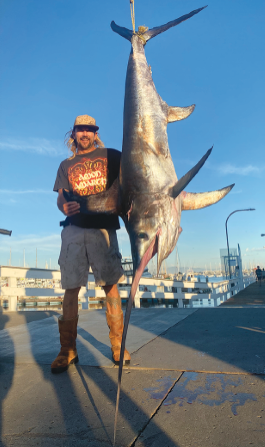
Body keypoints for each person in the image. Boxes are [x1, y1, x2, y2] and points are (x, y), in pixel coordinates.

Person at [52, 114, 130, 374]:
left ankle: (118, 345)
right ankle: (67, 350)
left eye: (89, 130)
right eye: (80, 130)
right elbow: (60, 197)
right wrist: (64, 207)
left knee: (110, 286)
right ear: (73, 134)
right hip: (73, 230)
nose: (84, 134)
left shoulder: (113, 156)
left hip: (103, 228)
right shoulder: (65, 165)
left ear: (95, 133)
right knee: (71, 288)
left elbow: (132, 178)